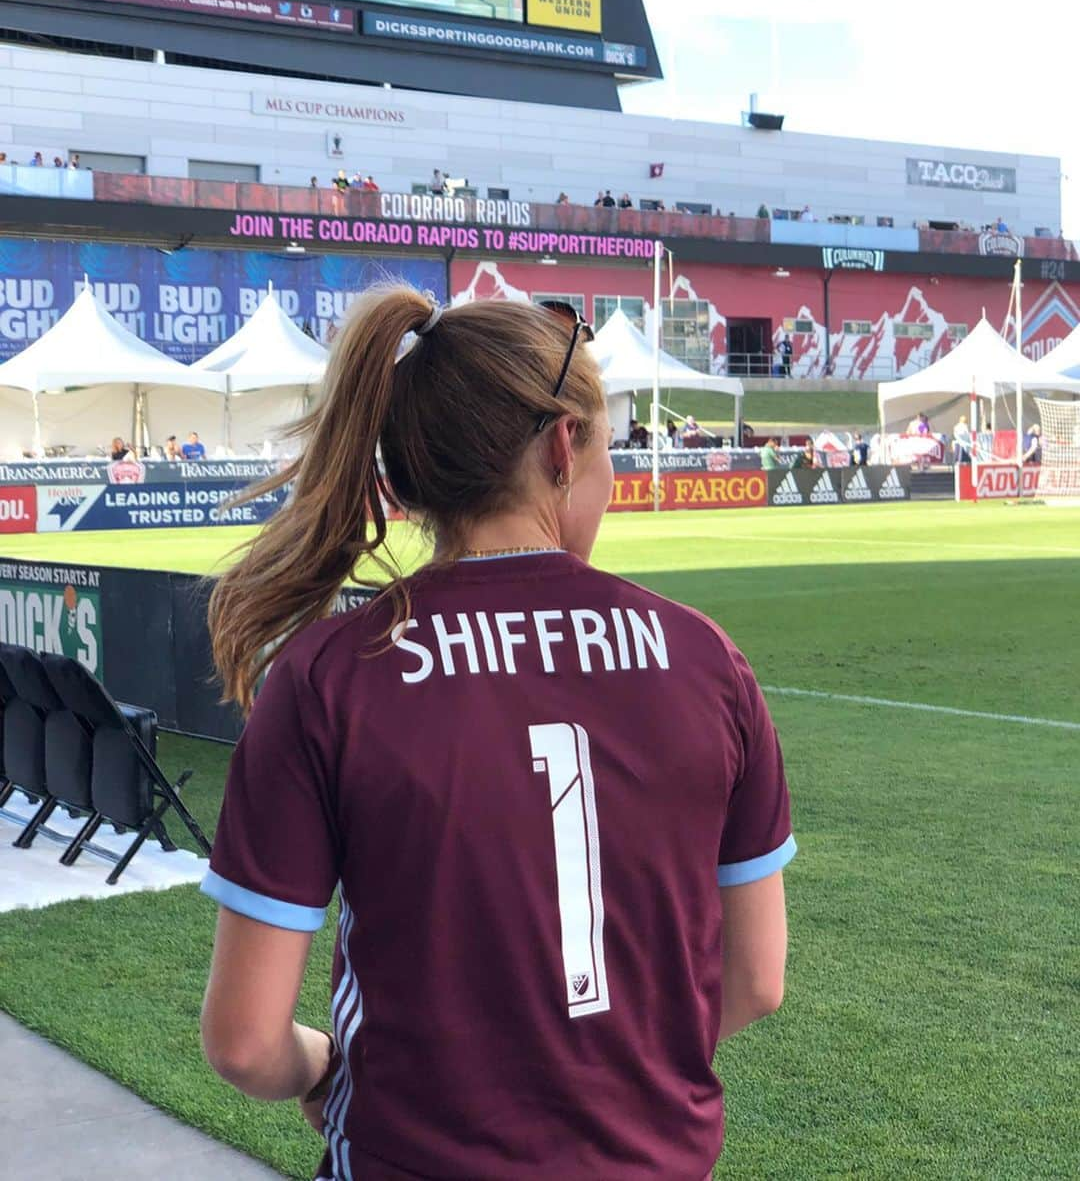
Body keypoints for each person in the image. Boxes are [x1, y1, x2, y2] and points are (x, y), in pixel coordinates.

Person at [199, 289, 795, 1181]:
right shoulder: (707, 660)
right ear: (564, 447)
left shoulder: (329, 676)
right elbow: (755, 981)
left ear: (402, 480)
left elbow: (246, 1043)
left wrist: (324, 1063)